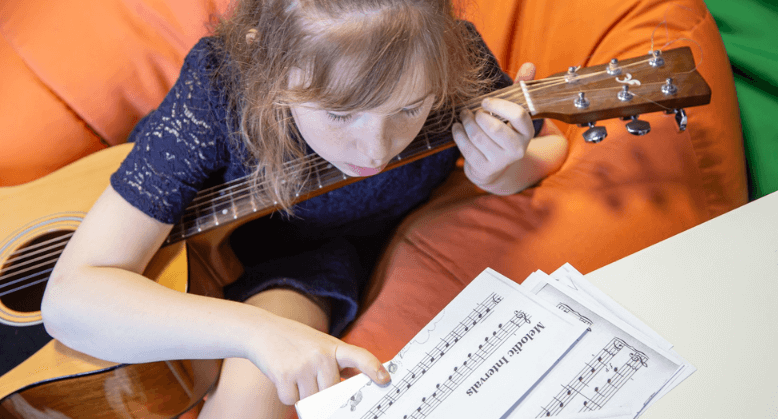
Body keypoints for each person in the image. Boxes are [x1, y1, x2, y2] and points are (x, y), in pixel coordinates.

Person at [41, 0, 568, 417]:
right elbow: (70, 299)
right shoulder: (218, 88)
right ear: (265, 59)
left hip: (305, 261)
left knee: (259, 386)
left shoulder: (452, 56)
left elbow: (550, 147)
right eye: (341, 114)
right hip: (174, 238)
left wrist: (500, 169)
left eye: (409, 107)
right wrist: (253, 332)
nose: (377, 149)